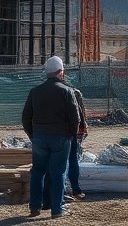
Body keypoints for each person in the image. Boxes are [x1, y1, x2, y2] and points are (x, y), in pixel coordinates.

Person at [21, 55, 80, 219]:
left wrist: (32, 135)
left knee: (38, 172)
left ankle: (34, 207)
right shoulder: (67, 91)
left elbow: (26, 117)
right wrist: (70, 135)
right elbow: (75, 119)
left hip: (40, 137)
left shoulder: (35, 91)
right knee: (58, 173)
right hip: (61, 138)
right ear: (60, 72)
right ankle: (57, 209)